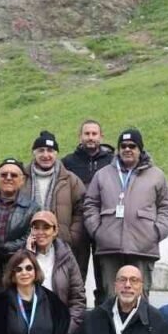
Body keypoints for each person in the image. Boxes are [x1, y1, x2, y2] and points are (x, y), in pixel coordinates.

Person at [83, 127, 168, 304]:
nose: (127, 149)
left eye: (132, 146)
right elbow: (90, 205)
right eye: (123, 146)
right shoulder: (102, 175)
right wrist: (97, 231)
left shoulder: (157, 175)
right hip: (109, 248)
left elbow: (167, 207)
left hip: (143, 248)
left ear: (140, 150)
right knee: (111, 299)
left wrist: (156, 232)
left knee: (140, 300)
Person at [62, 119, 117, 282]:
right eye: (87, 134)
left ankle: (103, 305)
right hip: (78, 222)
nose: (90, 137)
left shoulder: (112, 161)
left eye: (94, 134)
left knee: (104, 271)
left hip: (104, 222)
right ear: (80, 137)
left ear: (101, 136)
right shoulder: (68, 162)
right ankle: (77, 305)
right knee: (77, 270)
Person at [0, 158, 39, 295]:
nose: (8, 178)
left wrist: (5, 248)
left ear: (22, 180)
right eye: (4, 175)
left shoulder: (32, 208)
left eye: (14, 175)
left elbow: (31, 236)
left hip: (15, 267)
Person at [25, 130, 86, 252]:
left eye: (50, 151)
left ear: (56, 153)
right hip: (27, 244)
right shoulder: (22, 178)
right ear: (34, 153)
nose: (46, 155)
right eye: (41, 150)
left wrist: (71, 236)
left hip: (61, 245)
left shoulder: (71, 180)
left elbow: (81, 210)